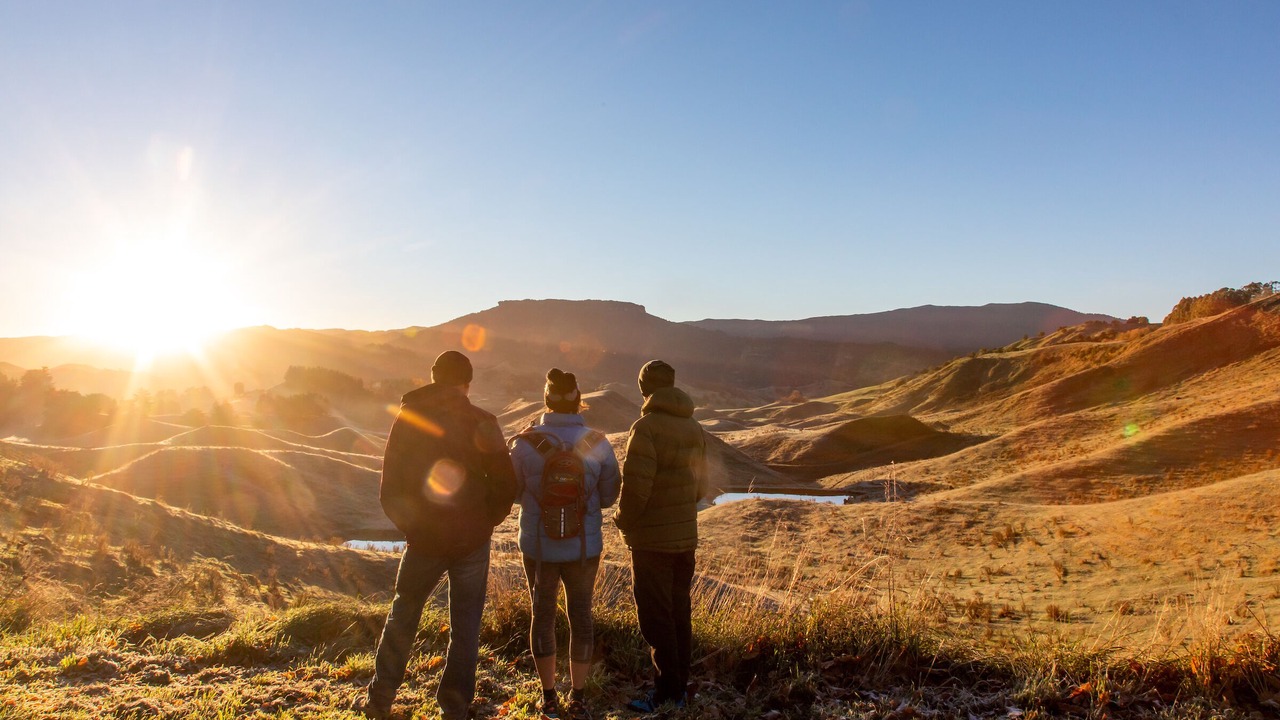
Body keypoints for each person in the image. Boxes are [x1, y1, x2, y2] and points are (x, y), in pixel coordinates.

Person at [355, 351, 518, 720]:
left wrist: (414, 528)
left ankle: (380, 700)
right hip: (471, 541)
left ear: (433, 377)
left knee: (403, 614)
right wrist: (484, 522)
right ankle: (455, 708)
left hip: (424, 540)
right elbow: (507, 483)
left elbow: (390, 485)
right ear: (467, 383)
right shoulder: (483, 421)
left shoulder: (409, 419)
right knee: (466, 625)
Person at [509, 368, 620, 720]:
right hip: (584, 548)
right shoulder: (598, 442)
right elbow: (607, 498)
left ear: (545, 400)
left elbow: (512, 494)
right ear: (577, 400)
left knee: (541, 618)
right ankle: (579, 696)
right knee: (581, 617)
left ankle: (548, 697)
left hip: (538, 547)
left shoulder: (524, 443)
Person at [613, 360, 709, 713]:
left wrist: (623, 520)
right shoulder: (694, 427)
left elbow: (636, 490)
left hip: (652, 542)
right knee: (679, 613)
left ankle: (667, 694)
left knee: (656, 618)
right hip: (685, 539)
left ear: (644, 388)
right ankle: (679, 688)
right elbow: (702, 486)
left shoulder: (646, 428)